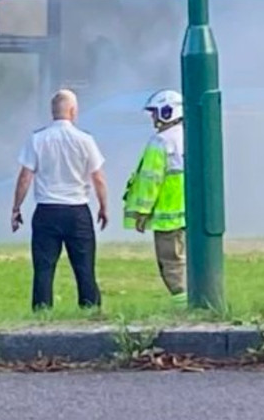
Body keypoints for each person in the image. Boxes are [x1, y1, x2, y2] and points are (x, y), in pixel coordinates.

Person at [11, 89, 109, 311]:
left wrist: (16, 208)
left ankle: (42, 310)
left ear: (52, 112)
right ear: (73, 111)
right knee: (84, 266)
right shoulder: (85, 140)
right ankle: (90, 307)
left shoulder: (37, 139)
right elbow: (98, 177)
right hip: (77, 211)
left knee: (44, 267)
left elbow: (25, 176)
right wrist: (103, 207)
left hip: (46, 210)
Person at [122, 89, 187, 305]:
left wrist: (141, 212)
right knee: (187, 262)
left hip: (167, 218)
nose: (153, 117)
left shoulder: (160, 142)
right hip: (189, 216)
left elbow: (150, 180)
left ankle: (184, 307)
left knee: (171, 264)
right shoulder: (191, 136)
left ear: (167, 112)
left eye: (155, 112)